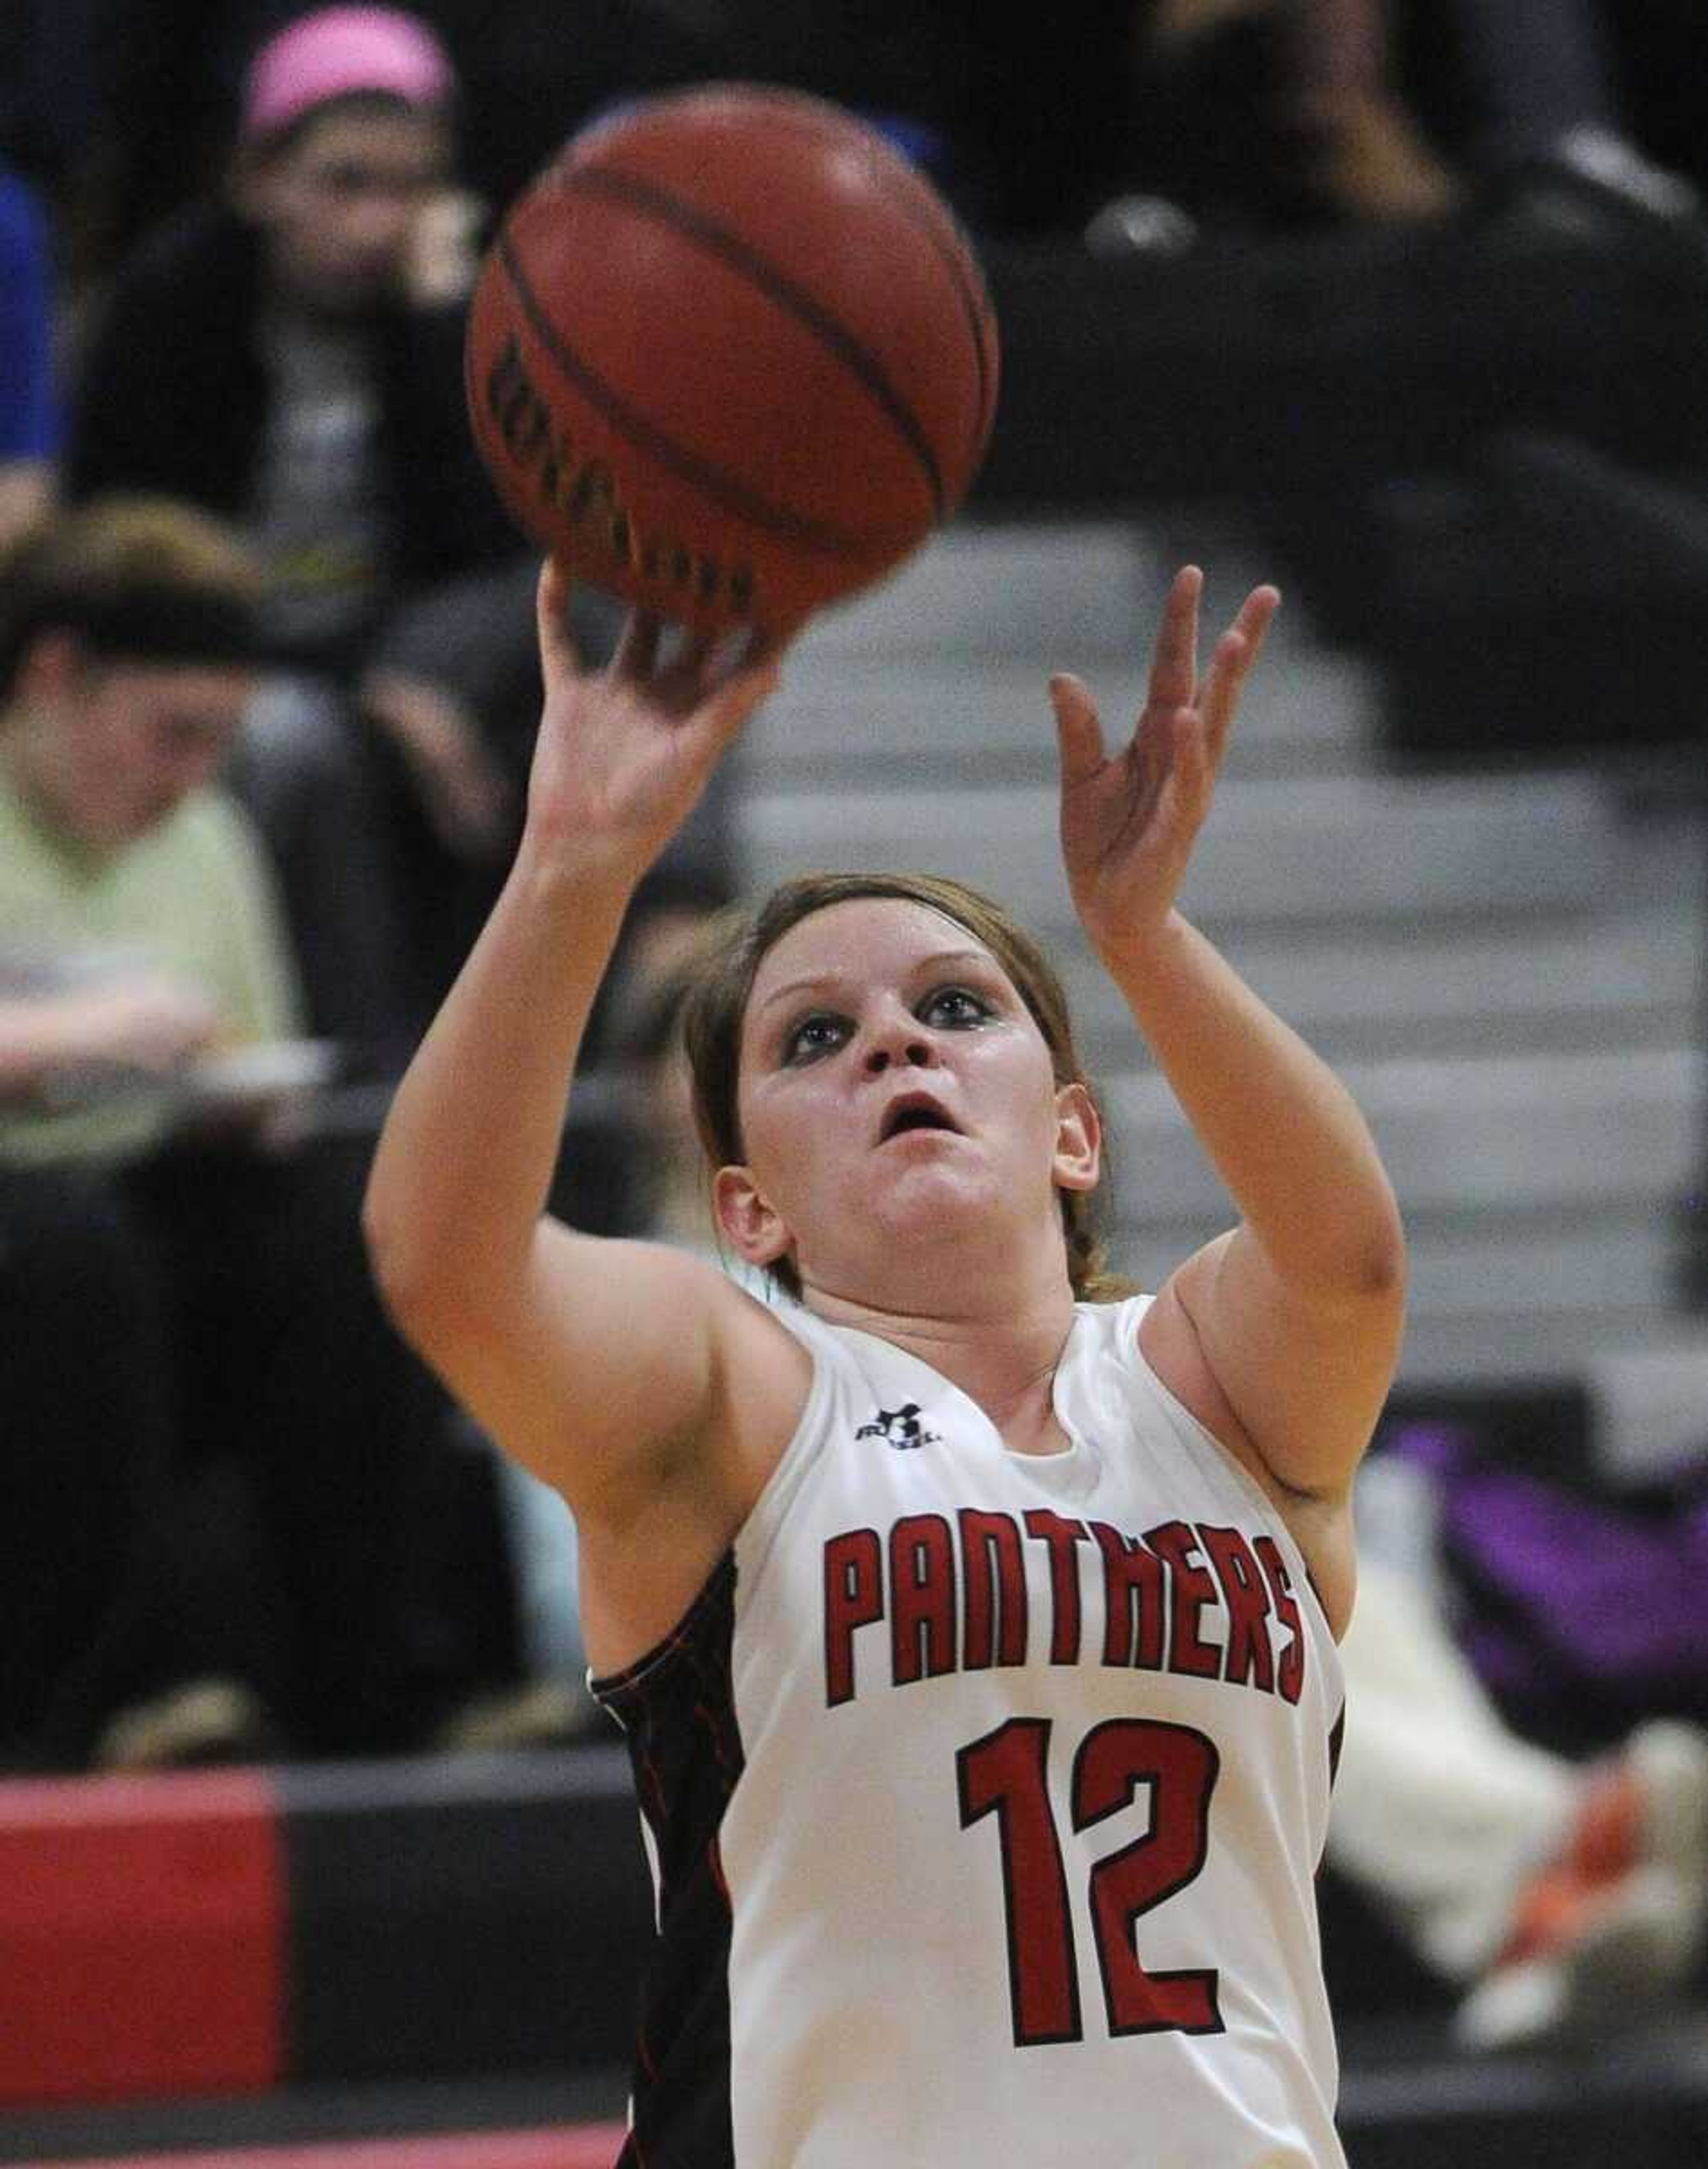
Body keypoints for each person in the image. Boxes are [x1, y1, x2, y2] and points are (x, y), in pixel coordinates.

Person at [364, 558, 1408, 2165]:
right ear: (746, 1204)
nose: (895, 1043)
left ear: (1072, 1128)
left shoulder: (1207, 1383)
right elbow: (447, 1266)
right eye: (811, 1036)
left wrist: (1142, 931)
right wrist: (574, 867)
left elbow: (1351, 1258)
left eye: (955, 1005)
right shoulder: (746, 1398)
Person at [0, 494, 524, 1766]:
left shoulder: (209, 832)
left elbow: (251, 1058)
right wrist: (80, 1038)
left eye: (215, 746)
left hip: (150, 1188)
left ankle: (380, 1704)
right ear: (55, 677)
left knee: (361, 1233)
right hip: (37, 1221)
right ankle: (52, 1720)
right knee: (74, 1261)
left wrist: (242, 1098)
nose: (188, 779)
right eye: (168, 735)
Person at [63, 5, 534, 1052]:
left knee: (609, 649)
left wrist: (435, 337)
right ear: (260, 180)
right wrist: (370, 681)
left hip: (409, 651)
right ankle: (363, 1083)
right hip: (223, 650)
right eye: (345, 183)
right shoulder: (170, 308)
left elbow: (499, 548)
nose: (378, 221)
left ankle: (619, 1022)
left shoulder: (452, 313)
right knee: (297, 743)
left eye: (409, 188)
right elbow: (134, 574)